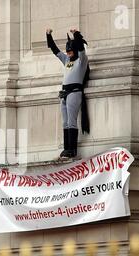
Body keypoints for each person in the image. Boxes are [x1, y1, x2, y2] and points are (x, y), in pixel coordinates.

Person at [46, 28, 90, 159]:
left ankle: (72, 149)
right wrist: (48, 36)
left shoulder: (81, 61)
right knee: (65, 122)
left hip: (75, 92)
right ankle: (66, 148)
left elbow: (82, 49)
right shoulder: (67, 60)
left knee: (71, 121)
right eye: (67, 50)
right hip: (64, 93)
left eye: (71, 49)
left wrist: (76, 34)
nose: (68, 51)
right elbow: (55, 51)